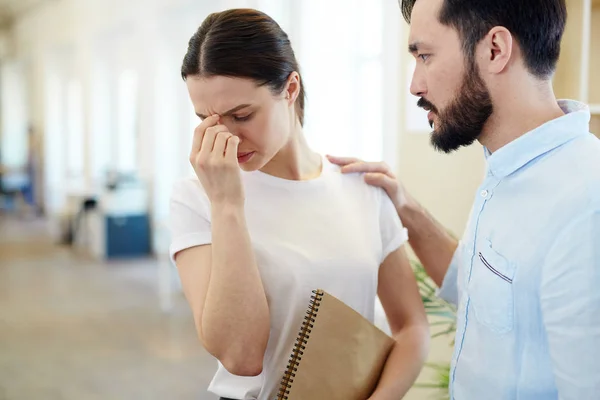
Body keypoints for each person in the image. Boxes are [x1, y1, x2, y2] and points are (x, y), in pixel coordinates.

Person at [328, 0, 600, 398]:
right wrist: (406, 209)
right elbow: (475, 288)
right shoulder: (507, 167)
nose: (415, 85)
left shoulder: (584, 204)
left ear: (495, 50)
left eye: (425, 56)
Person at [168, 8, 429, 400]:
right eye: (206, 119)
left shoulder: (361, 189)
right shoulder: (196, 198)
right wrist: (227, 205)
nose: (227, 138)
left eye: (241, 115)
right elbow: (241, 357)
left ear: (290, 89)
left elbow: (411, 326)